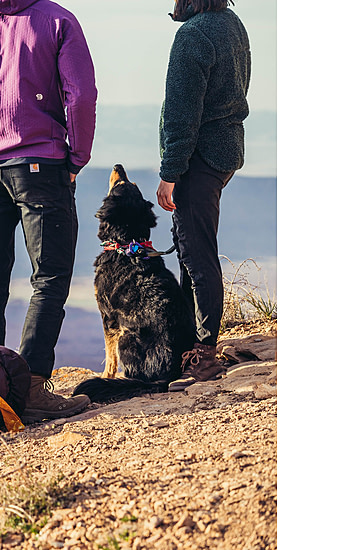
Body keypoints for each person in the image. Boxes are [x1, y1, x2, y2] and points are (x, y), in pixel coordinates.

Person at [0, 0, 97, 421]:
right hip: (41, 165)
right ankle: (32, 388)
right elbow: (80, 95)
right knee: (49, 277)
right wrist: (76, 158)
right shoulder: (58, 20)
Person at [156, 0, 251, 391]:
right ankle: (191, 345)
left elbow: (182, 113)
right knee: (192, 249)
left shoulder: (192, 36)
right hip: (224, 152)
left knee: (197, 255)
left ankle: (205, 356)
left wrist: (170, 172)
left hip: (199, 158)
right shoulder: (231, 23)